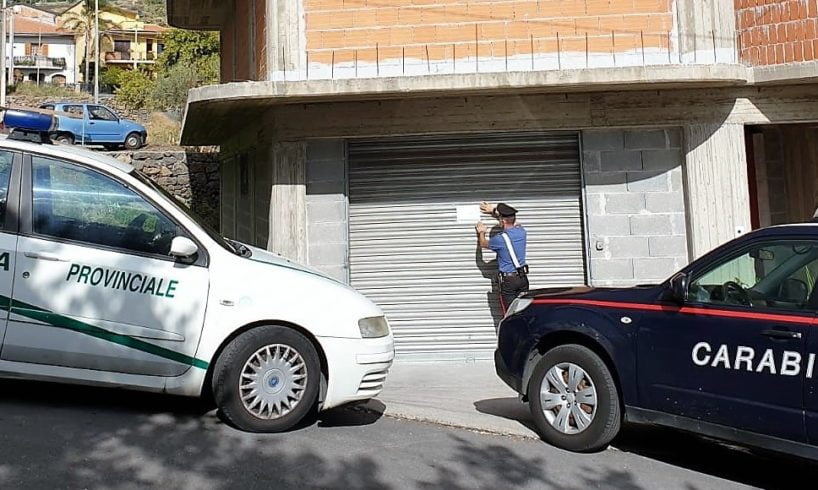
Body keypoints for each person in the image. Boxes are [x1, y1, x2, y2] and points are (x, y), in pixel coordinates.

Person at [475, 201, 528, 311]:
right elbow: (512, 221)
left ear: (502, 221)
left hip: (509, 282)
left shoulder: (499, 239)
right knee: (523, 311)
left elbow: (483, 244)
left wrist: (481, 232)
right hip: (523, 278)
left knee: (510, 314)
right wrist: (493, 211)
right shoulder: (522, 231)